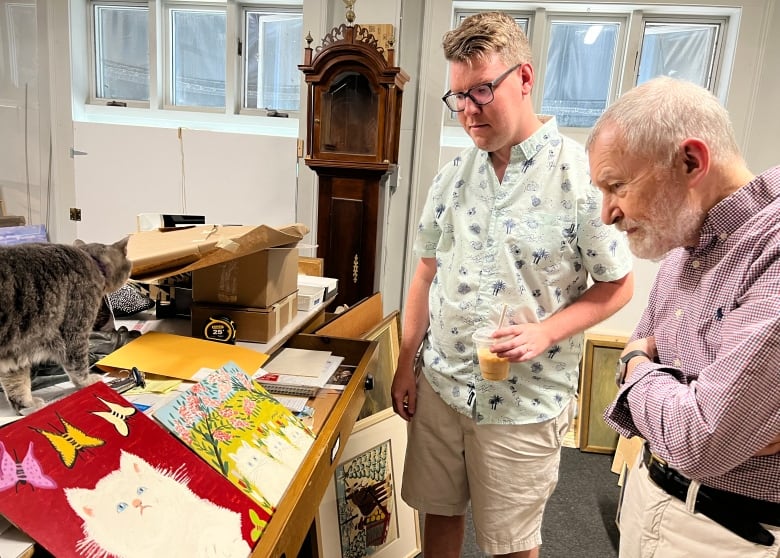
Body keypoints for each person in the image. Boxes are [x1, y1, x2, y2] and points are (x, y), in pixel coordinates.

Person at [391, 12, 633, 558]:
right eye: (458, 97)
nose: (469, 112)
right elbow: (426, 270)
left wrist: (547, 333)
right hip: (442, 386)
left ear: (524, 78)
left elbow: (617, 285)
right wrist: (406, 362)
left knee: (513, 545)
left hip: (523, 402)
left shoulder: (580, 178)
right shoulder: (453, 176)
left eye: (482, 91)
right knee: (440, 519)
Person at [586, 76, 780, 557]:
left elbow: (700, 439)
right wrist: (673, 390)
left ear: (690, 161)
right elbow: (642, 346)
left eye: (617, 185)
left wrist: (636, 367)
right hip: (648, 493)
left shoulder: (771, 250)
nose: (607, 213)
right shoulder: (682, 243)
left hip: (725, 533)